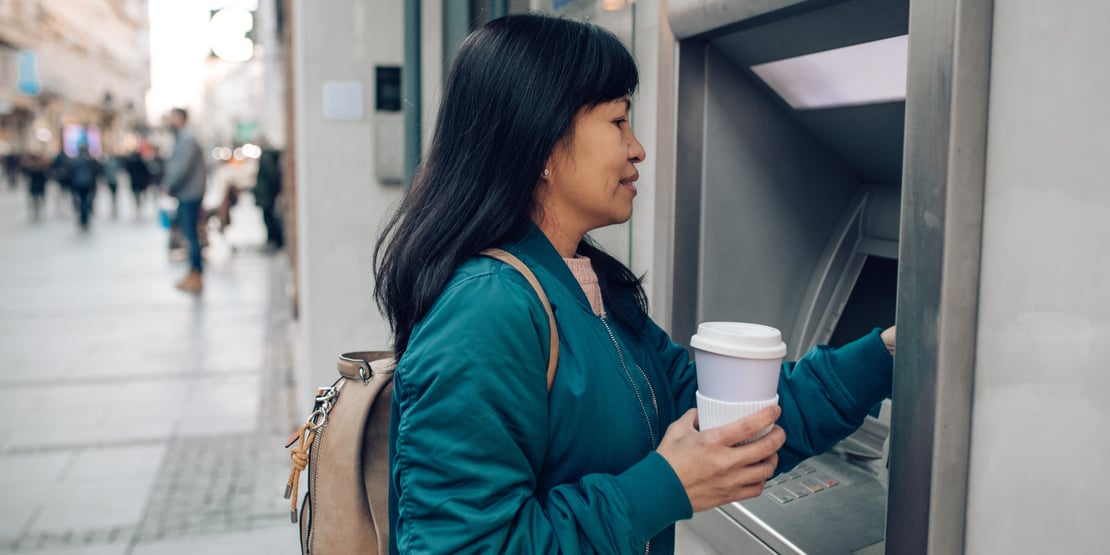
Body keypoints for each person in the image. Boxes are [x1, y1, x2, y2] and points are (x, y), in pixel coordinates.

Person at [373, 15, 896, 555]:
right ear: (543, 143)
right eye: (618, 121)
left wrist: (884, 357)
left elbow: (728, 419)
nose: (638, 148)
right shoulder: (486, 309)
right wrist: (664, 488)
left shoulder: (588, 288)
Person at [162, 108, 207, 293]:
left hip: (190, 193)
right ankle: (193, 273)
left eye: (172, 117)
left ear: (181, 118)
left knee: (190, 235)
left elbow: (181, 167)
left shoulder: (186, 139)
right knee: (189, 234)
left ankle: (196, 274)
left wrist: (168, 185)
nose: (170, 121)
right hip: (188, 192)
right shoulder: (183, 137)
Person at [253, 143, 283, 250]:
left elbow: (270, 178)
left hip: (267, 195)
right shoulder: (269, 158)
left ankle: (274, 240)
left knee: (269, 218)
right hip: (266, 194)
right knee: (268, 218)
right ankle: (273, 239)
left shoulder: (267, 158)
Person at [69, 145, 101, 231]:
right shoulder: (90, 160)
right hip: (88, 183)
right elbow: (96, 172)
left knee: (82, 200)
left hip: (78, 183)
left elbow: (71, 173)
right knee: (85, 200)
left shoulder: (75, 160)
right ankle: (85, 217)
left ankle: (83, 217)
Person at [22, 152, 49, 220]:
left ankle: (37, 211)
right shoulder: (38, 167)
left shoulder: (38, 167)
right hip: (37, 186)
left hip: (37, 186)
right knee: (37, 199)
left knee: (37, 199)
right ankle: (37, 211)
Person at [124, 148, 150, 215]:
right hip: (141, 181)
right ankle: (139, 203)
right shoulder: (141, 162)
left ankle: (137, 203)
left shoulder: (130, 162)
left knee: (136, 194)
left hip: (134, 181)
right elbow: (146, 171)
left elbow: (127, 170)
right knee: (140, 193)